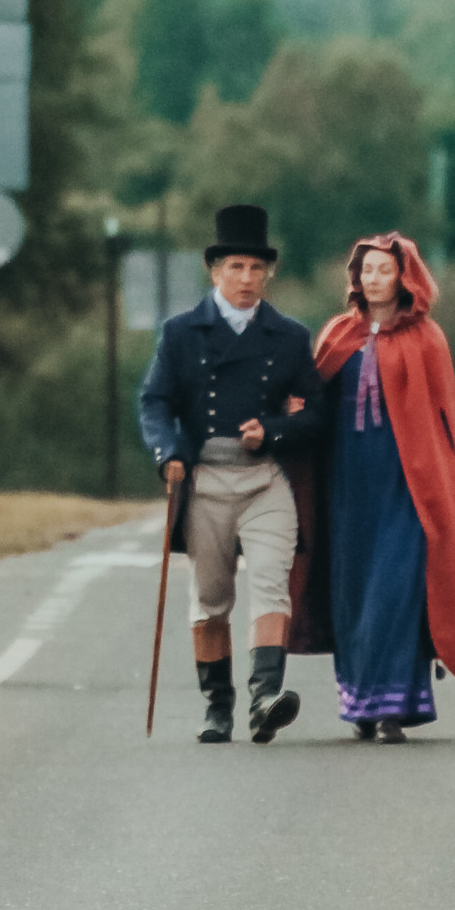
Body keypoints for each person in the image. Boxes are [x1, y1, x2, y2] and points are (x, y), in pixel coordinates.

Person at [137, 202, 324, 745]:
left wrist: (273, 431)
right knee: (212, 595)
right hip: (206, 481)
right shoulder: (180, 333)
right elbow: (155, 401)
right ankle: (217, 704)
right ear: (214, 271)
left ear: (269, 274)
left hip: (265, 478)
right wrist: (166, 451)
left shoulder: (288, 337)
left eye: (256, 269)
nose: (247, 279)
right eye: (236, 268)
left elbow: (316, 412)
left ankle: (265, 698)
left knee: (272, 585)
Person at [305, 233, 455, 742]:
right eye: (366, 270)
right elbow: (312, 403)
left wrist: (441, 491)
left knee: (396, 590)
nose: (373, 279)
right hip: (347, 485)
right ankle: (360, 702)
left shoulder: (428, 340)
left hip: (407, 486)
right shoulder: (338, 333)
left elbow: (442, 427)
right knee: (353, 590)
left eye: (384, 270)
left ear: (405, 277)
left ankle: (391, 708)